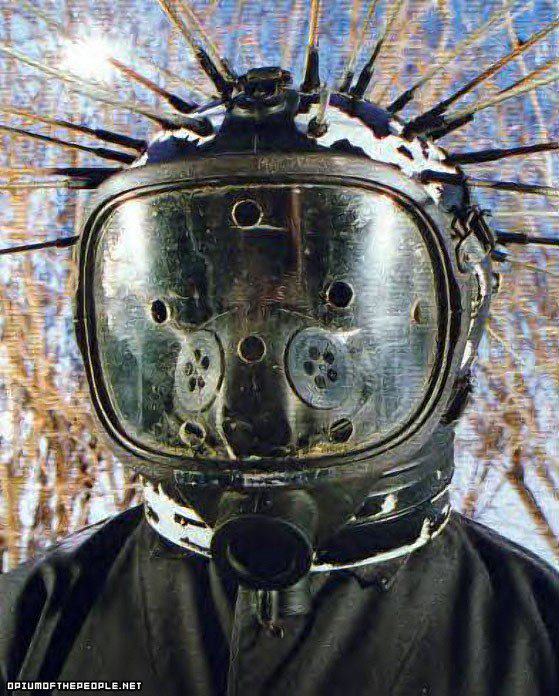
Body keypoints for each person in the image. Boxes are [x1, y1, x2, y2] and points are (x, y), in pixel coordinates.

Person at [1, 65, 559, 696]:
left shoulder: (540, 639)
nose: (253, 347)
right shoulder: (27, 622)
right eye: (216, 293)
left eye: (323, 293)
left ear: (455, 319)